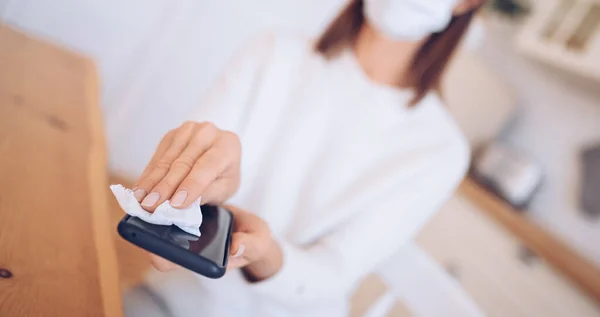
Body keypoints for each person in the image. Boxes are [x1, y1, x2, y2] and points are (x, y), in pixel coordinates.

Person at [127, 0, 483, 316]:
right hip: (172, 300)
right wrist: (189, 188)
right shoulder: (273, 52)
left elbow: (333, 271)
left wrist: (266, 254)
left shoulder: (440, 150)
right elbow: (189, 188)